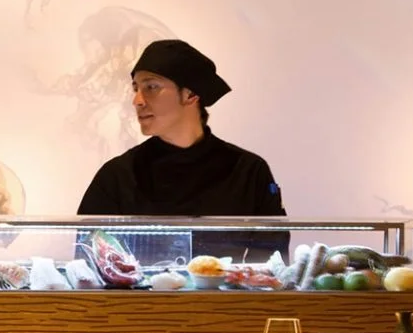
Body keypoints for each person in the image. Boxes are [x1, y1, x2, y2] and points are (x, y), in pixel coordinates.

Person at [76, 39, 288, 261]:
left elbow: (272, 262)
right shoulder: (117, 176)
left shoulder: (248, 172)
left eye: (151, 87)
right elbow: (89, 261)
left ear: (190, 94)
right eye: (136, 88)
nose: (137, 100)